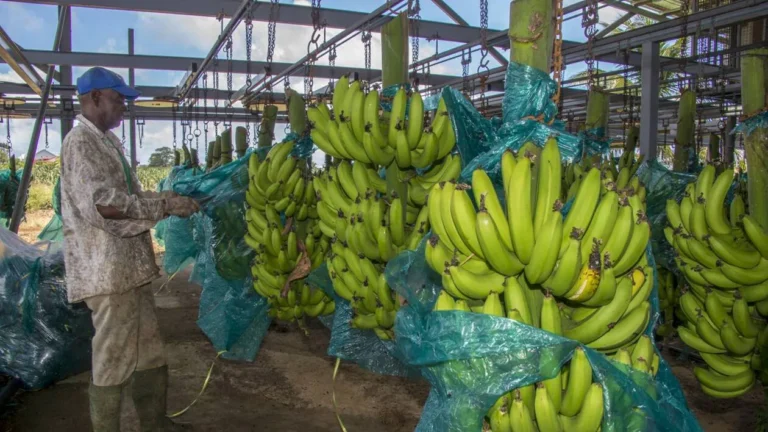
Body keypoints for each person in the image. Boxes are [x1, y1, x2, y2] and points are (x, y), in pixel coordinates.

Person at [60, 67, 199, 432]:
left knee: (149, 352)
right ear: (94, 98)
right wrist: (165, 207)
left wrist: (165, 197)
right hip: (107, 273)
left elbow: (131, 199)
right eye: (118, 98)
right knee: (113, 357)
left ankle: (155, 423)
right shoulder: (81, 144)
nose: (124, 106)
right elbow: (105, 205)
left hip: (130, 270)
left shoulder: (106, 143)